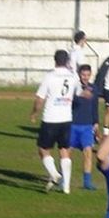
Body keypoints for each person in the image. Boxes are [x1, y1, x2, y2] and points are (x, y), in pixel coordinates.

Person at [31, 50, 79, 194]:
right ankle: (66, 187)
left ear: (55, 60)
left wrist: (34, 113)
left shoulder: (50, 77)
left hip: (50, 118)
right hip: (66, 118)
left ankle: (54, 173)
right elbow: (78, 94)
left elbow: (40, 99)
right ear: (67, 61)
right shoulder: (73, 76)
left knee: (43, 148)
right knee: (64, 150)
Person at [70, 64, 100, 191]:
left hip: (87, 126)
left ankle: (87, 182)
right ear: (79, 74)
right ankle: (62, 179)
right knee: (67, 153)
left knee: (88, 153)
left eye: (88, 75)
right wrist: (79, 95)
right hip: (72, 125)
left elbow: (95, 107)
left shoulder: (94, 89)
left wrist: (96, 122)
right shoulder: (73, 87)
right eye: (83, 75)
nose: (85, 77)